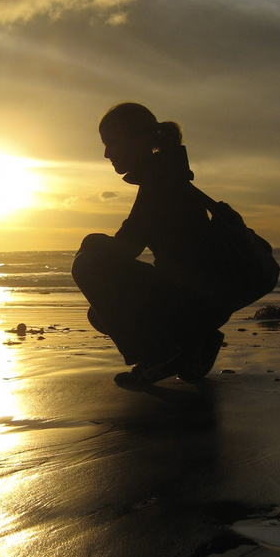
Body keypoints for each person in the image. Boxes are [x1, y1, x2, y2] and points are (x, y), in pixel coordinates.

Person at [72, 102, 232, 387]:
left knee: (87, 265)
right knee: (99, 313)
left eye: (113, 143)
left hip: (194, 298)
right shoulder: (166, 174)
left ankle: (161, 355)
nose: (107, 153)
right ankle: (196, 343)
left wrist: (91, 245)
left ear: (140, 139)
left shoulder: (161, 181)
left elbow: (128, 246)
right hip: (204, 298)